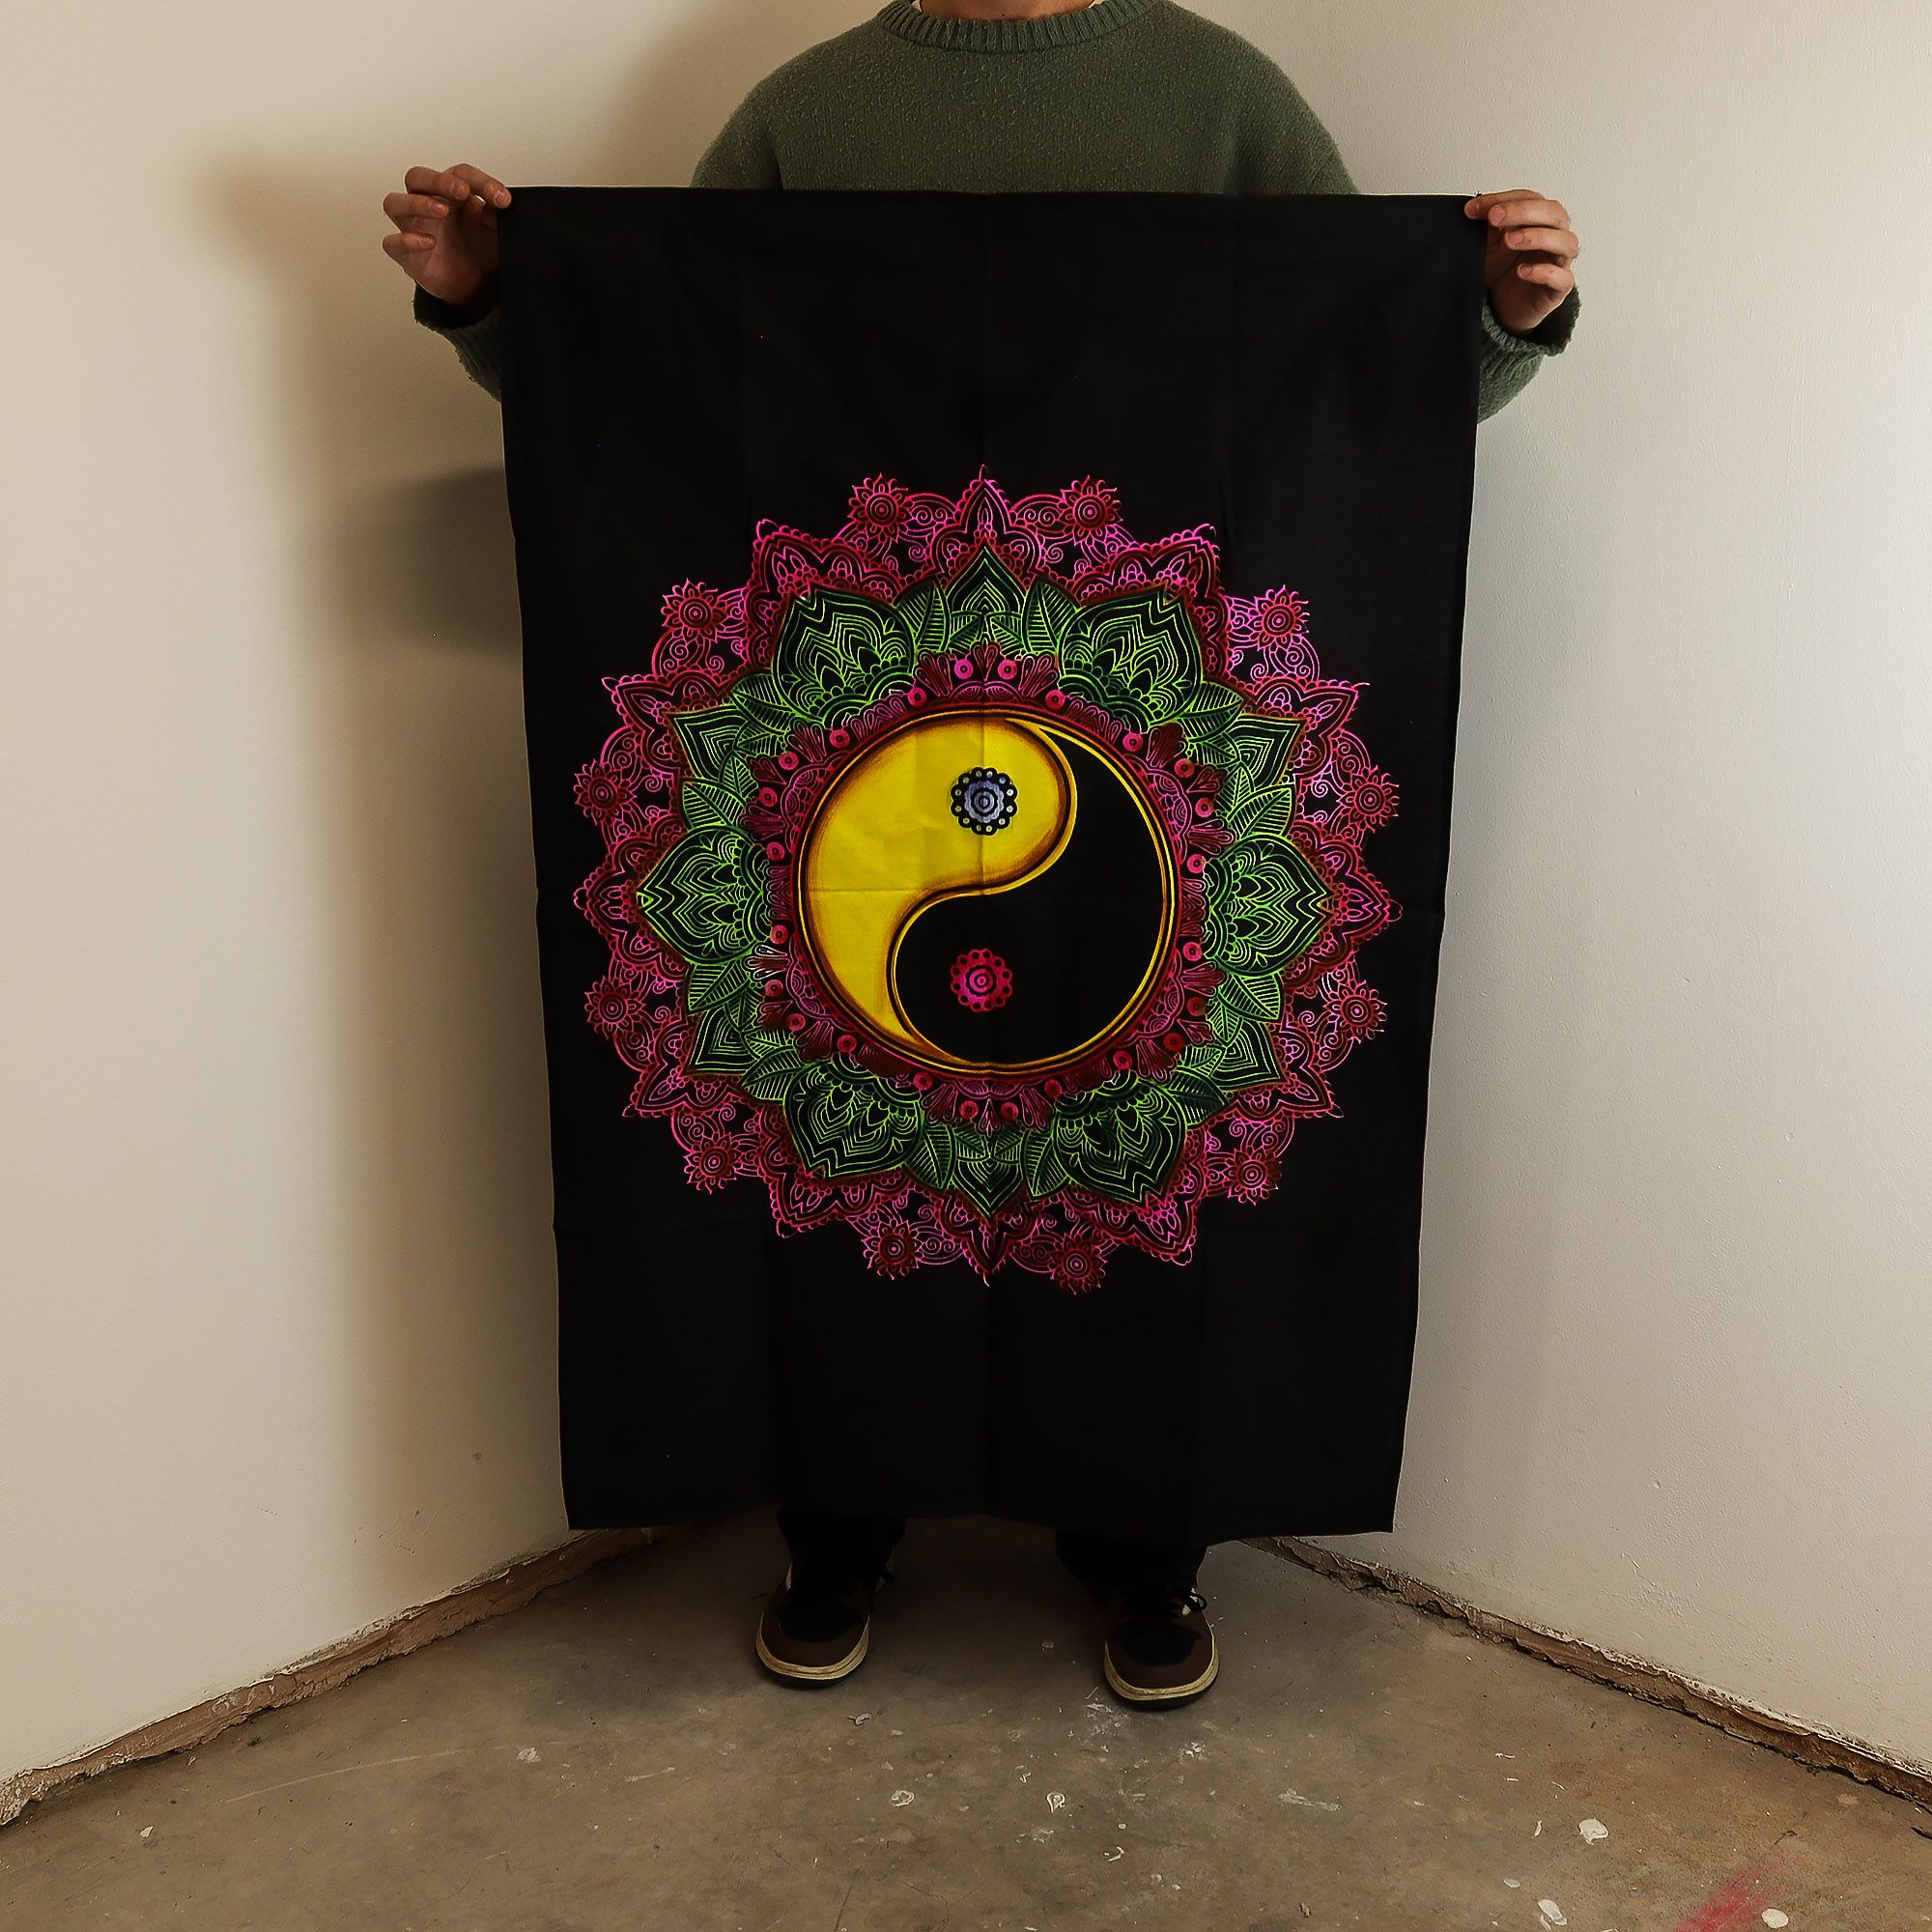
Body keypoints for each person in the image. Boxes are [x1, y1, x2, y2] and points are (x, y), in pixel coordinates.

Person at [382, 0, 1581, 1710]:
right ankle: (835, 1525)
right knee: (824, 1143)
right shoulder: (810, 111)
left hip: (1146, 774)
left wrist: (1504, 319)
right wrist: (494, 293)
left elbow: (1354, 375)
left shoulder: (1222, 102)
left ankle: (1146, 1548)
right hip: (861, 771)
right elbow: (656, 364)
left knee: (1144, 1153)